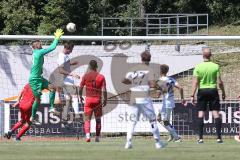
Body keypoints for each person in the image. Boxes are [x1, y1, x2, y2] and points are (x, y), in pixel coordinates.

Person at [122, 51, 167, 149]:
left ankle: (128, 142)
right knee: (152, 120)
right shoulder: (149, 70)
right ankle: (158, 143)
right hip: (144, 97)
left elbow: (123, 80)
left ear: (141, 58)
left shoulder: (133, 69)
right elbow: (152, 84)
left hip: (134, 96)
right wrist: (161, 88)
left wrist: (130, 82)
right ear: (150, 59)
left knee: (132, 121)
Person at [191, 47, 226, 143]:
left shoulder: (198, 66)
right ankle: (219, 138)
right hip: (213, 90)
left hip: (202, 91)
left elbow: (194, 82)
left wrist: (192, 95)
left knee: (201, 113)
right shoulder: (215, 66)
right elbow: (219, 82)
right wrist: (223, 92)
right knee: (215, 113)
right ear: (211, 55)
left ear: (202, 56)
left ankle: (200, 138)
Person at [29, 29, 64, 123]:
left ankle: (51, 108)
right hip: (34, 80)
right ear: (35, 46)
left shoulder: (38, 53)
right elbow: (52, 47)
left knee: (52, 88)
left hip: (39, 78)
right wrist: (56, 38)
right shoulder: (38, 52)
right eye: (39, 44)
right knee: (38, 100)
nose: (41, 44)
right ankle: (32, 117)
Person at [79, 60, 107, 142]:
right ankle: (97, 138)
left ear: (89, 67)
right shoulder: (101, 77)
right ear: (96, 67)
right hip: (98, 100)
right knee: (98, 119)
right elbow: (104, 90)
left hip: (88, 100)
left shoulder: (85, 76)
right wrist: (105, 99)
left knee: (87, 119)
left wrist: (80, 96)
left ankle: (88, 136)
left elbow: (80, 88)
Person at [157, 64, 185, 142]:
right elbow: (181, 88)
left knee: (165, 122)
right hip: (169, 102)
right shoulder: (171, 79)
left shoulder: (160, 80)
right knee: (159, 119)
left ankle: (177, 137)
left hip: (166, 104)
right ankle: (172, 135)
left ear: (160, 71)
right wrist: (182, 98)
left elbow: (158, 95)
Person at [58, 42, 81, 127]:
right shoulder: (61, 56)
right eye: (70, 50)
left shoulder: (65, 56)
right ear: (67, 49)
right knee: (74, 96)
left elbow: (64, 64)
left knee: (68, 99)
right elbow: (60, 70)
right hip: (66, 80)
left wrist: (71, 63)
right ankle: (78, 116)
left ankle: (64, 119)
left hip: (66, 80)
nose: (71, 52)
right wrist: (72, 74)